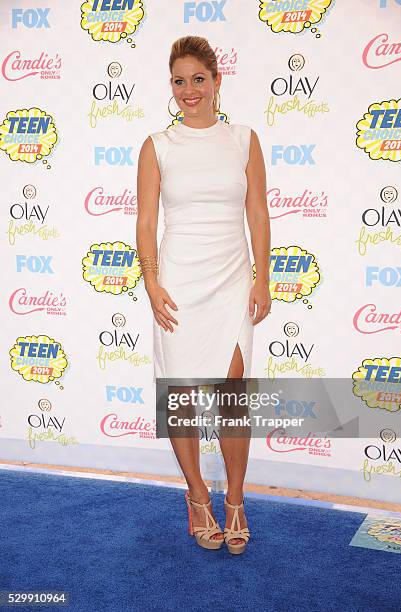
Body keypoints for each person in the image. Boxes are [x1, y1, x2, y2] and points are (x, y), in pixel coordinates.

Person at [136, 36, 271, 554]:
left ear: (217, 81)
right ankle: (197, 496)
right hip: (179, 283)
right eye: (179, 81)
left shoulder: (243, 140)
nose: (189, 90)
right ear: (170, 87)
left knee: (233, 396)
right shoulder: (157, 145)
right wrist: (151, 281)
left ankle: (235, 498)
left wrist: (262, 277)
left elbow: (257, 213)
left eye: (198, 79)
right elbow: (147, 221)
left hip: (232, 279)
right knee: (183, 399)